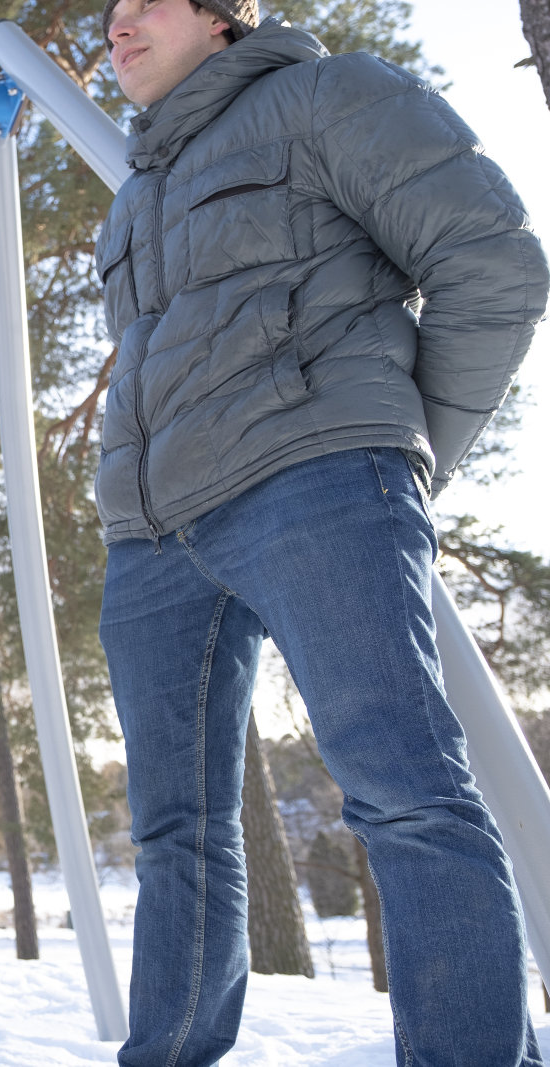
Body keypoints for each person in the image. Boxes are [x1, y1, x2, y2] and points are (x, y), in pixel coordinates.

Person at [93, 2, 549, 1064]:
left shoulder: (325, 96)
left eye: (141, 2)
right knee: (173, 833)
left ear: (222, 16)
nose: (114, 25)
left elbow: (493, 263)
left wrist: (389, 449)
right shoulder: (135, 195)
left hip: (314, 487)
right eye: (104, 13)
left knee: (403, 790)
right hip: (151, 538)